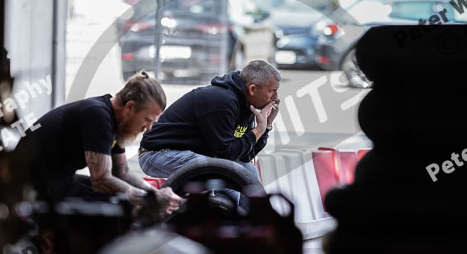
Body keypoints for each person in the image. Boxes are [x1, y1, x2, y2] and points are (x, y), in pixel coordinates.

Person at [22, 71, 183, 214]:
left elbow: (122, 172)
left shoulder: (116, 123)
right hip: (29, 185)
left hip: (56, 179)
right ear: (130, 107)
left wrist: (154, 193)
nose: (148, 128)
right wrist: (150, 200)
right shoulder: (98, 115)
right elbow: (101, 181)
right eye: (147, 120)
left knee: (126, 201)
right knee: (118, 210)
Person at [138, 61, 280, 185]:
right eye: (272, 91)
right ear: (252, 89)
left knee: (248, 170)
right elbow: (225, 154)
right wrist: (258, 131)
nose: (275, 97)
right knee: (222, 174)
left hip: (188, 154)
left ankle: (249, 214)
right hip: (155, 154)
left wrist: (266, 126)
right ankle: (223, 214)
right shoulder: (223, 101)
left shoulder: (245, 105)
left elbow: (244, 155)